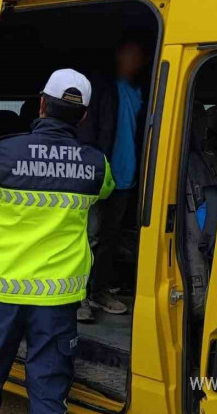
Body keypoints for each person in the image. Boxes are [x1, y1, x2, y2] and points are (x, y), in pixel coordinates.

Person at [0, 69, 115, 414]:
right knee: (48, 390)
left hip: (4, 293)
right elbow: (105, 192)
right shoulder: (96, 164)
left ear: (41, 104)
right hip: (57, 298)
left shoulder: (3, 153)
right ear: (84, 115)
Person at [77, 40, 147, 321]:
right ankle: (78, 295)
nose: (136, 60)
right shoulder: (101, 88)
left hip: (126, 179)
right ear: (118, 55)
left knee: (108, 239)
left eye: (139, 56)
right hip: (99, 176)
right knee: (88, 237)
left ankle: (99, 291)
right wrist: (89, 173)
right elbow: (87, 135)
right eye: (131, 53)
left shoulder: (143, 91)